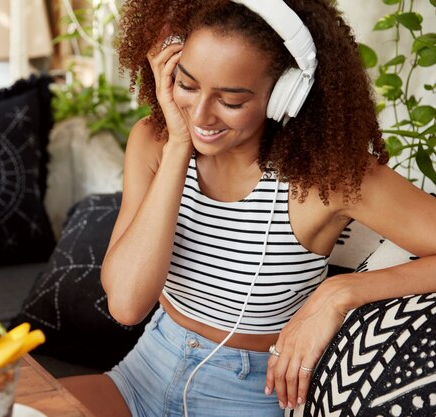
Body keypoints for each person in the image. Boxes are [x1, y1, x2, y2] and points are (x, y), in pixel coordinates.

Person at [60, 0, 436, 416]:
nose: (201, 114)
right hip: (142, 372)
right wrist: (179, 148)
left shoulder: (329, 178)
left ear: (286, 94)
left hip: (245, 396)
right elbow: (127, 305)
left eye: (231, 101)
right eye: (187, 85)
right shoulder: (154, 142)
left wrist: (339, 292)